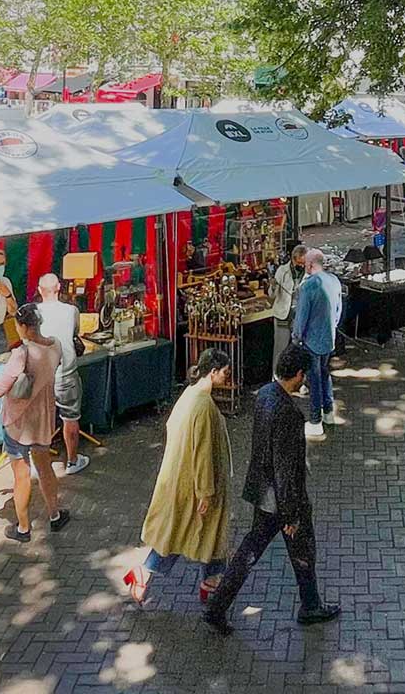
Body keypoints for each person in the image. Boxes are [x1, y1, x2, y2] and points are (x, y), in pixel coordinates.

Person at [203, 344, 340, 635]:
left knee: (252, 550)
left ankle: (219, 606)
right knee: (298, 550)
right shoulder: (289, 413)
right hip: (283, 500)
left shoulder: (265, 394)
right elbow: (285, 468)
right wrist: (291, 515)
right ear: (299, 374)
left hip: (262, 492)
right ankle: (309, 606)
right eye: (304, 375)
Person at [126, 348, 235, 606]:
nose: (227, 377)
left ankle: (211, 579)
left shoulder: (189, 395)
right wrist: (205, 491)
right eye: (225, 372)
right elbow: (203, 451)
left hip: (180, 477)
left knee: (188, 532)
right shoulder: (204, 406)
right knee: (186, 533)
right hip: (197, 484)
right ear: (213, 372)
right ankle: (148, 572)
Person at [0, 302, 71, 542]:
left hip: (18, 422)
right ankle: (54, 514)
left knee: (21, 475)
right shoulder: (55, 345)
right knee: (44, 467)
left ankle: (23, 528)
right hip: (43, 419)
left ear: (22, 326)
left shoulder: (21, 353)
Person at [36, 272, 88, 475]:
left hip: (42, 375)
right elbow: (75, 332)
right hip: (66, 373)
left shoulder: (34, 312)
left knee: (40, 420)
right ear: (59, 287)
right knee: (70, 418)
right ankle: (72, 461)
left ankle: (37, 463)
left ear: (40, 290)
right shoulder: (71, 311)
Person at [293, 248, 344, 438]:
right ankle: (329, 413)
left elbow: (301, 318)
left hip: (312, 341)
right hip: (329, 338)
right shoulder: (334, 281)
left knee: (314, 380)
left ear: (310, 265)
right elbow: (338, 311)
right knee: (324, 374)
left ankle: (315, 421)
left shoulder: (308, 287)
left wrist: (296, 338)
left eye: (306, 263)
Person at [271, 244, 308, 362]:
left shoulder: (308, 272)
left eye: (304, 263)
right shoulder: (282, 271)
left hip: (299, 316)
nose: (301, 266)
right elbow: (272, 295)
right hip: (283, 315)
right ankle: (277, 372)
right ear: (293, 259)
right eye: (299, 263)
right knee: (280, 349)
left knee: (297, 349)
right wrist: (273, 287)